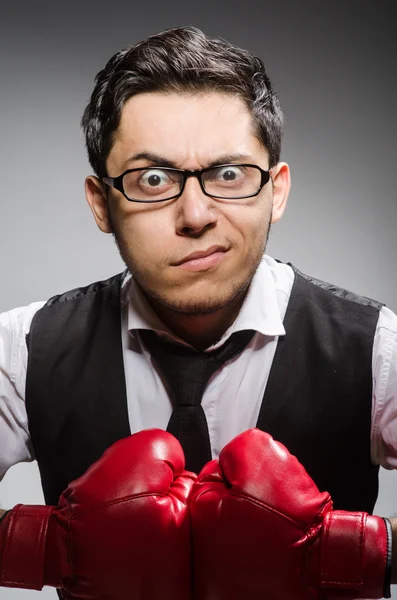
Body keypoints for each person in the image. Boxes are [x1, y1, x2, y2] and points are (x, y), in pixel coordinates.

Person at [0, 25, 396, 598]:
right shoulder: (23, 347)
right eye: (152, 179)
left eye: (228, 174)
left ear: (276, 191)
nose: (195, 214)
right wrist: (44, 549)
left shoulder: (376, 348)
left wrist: (354, 552)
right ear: (101, 203)